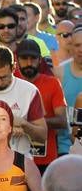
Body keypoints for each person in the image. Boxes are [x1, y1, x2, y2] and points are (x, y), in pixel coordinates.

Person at [13, 39, 69, 167]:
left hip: (46, 160)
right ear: (16, 60)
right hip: (15, 159)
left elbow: (62, 120)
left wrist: (28, 123)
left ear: (40, 60)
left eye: (33, 58)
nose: (29, 63)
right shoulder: (10, 84)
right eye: (24, 58)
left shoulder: (53, 84)